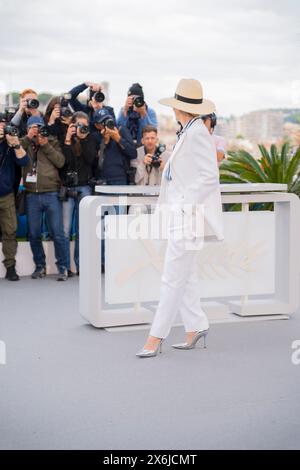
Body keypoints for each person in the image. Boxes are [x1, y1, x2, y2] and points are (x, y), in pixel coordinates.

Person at [136, 78, 224, 358]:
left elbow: (210, 176)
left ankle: (155, 337)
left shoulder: (197, 132)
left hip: (186, 217)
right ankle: (195, 327)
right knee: (185, 276)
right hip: (178, 215)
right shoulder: (188, 131)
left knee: (172, 277)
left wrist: (185, 205)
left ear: (179, 107)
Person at [21, 116, 68, 281]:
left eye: (39, 127)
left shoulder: (52, 142)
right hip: (31, 194)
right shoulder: (24, 143)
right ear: (28, 129)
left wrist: (45, 144)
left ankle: (63, 267)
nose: (37, 131)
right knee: (33, 233)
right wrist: (28, 138)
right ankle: (39, 266)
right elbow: (16, 151)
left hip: (51, 193)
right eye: (33, 127)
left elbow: (61, 162)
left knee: (58, 233)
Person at [93, 108, 137, 272]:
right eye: (103, 122)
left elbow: (132, 153)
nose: (108, 124)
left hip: (119, 183)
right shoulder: (96, 136)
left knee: (118, 225)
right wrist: (104, 142)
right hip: (102, 185)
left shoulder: (121, 130)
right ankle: (103, 262)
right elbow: (93, 161)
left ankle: (117, 260)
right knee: (102, 227)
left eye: (109, 120)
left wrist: (118, 139)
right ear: (98, 125)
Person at [61, 112, 98, 276]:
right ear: (72, 126)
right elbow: (65, 163)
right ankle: (64, 267)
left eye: (85, 125)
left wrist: (83, 139)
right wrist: (68, 139)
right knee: (65, 229)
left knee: (82, 230)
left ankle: (81, 266)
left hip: (84, 188)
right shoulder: (66, 139)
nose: (82, 128)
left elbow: (91, 159)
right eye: (79, 125)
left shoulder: (90, 139)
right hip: (68, 189)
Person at [0, 113, 29, 281]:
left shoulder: (10, 144)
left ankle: (10, 266)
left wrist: (16, 144)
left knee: (10, 231)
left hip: (6, 194)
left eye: (3, 124)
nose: (2, 128)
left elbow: (24, 161)